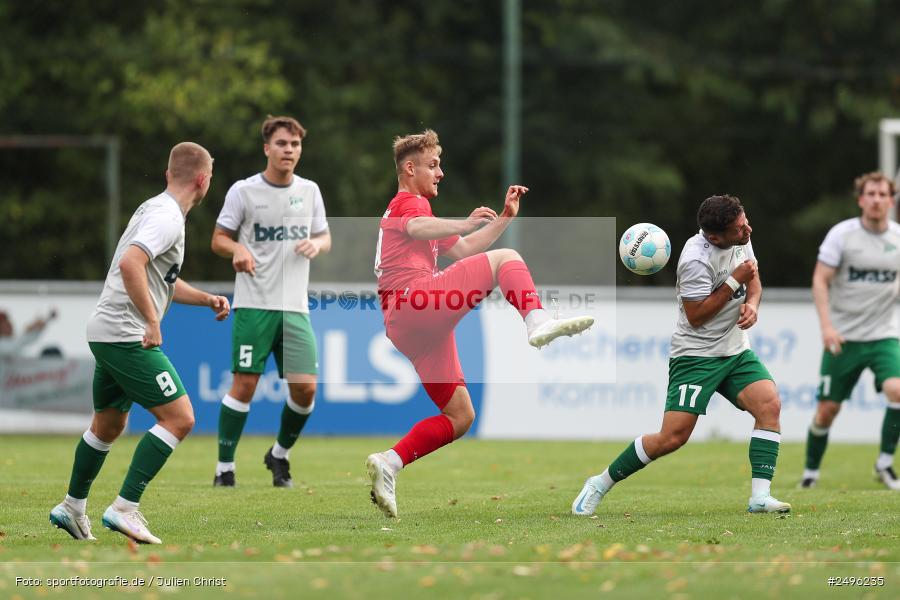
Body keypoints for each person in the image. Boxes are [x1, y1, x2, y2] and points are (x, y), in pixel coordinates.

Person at [366, 129, 594, 518]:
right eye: (433, 165)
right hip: (413, 301)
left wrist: (504, 218)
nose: (440, 172)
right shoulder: (408, 203)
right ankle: (536, 320)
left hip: (408, 326)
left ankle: (390, 462)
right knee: (507, 259)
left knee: (460, 417)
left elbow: (463, 249)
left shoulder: (418, 210)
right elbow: (420, 228)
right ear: (410, 168)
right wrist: (465, 222)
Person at [49, 142, 230, 544]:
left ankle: (72, 507)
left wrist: (205, 299)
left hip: (106, 330)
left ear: (169, 174)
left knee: (109, 424)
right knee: (180, 418)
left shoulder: (154, 208)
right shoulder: (167, 217)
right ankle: (124, 508)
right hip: (124, 334)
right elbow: (131, 263)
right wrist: (151, 320)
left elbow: (158, 278)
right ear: (203, 181)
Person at [572, 195, 792, 516]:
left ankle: (760, 497)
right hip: (696, 356)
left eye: (745, 222)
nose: (748, 230)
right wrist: (735, 280)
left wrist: (753, 306)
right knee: (672, 438)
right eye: (739, 228)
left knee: (769, 405)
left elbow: (753, 279)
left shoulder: (741, 238)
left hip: (735, 351)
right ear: (714, 236)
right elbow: (696, 316)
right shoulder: (695, 260)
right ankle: (599, 483)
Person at [211, 115, 330, 488]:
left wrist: (317, 244)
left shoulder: (309, 190)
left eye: (295, 144)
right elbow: (218, 238)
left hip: (295, 308)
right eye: (281, 143)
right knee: (245, 384)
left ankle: (279, 454)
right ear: (267, 148)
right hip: (254, 304)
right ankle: (224, 468)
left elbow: (325, 236)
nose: (288, 150)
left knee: (306, 390)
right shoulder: (244, 191)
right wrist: (237, 249)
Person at [801, 172, 900, 491]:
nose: (876, 200)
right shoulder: (842, 235)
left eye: (882, 194)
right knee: (827, 410)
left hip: (884, 335)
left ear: (891, 200)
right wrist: (827, 327)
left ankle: (884, 463)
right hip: (843, 336)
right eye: (870, 194)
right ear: (860, 199)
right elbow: (820, 280)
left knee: (898, 391)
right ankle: (810, 473)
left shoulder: (898, 238)